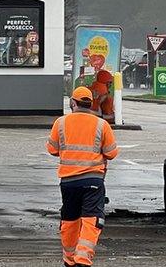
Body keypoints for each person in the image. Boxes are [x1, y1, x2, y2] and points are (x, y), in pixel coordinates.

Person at [47, 86, 118, 267]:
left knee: (70, 220)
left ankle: (69, 260)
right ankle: (83, 259)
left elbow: (52, 149)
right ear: (90, 103)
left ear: (73, 103)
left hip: (68, 182)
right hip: (93, 180)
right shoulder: (102, 125)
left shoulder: (60, 123)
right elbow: (111, 153)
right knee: (91, 219)